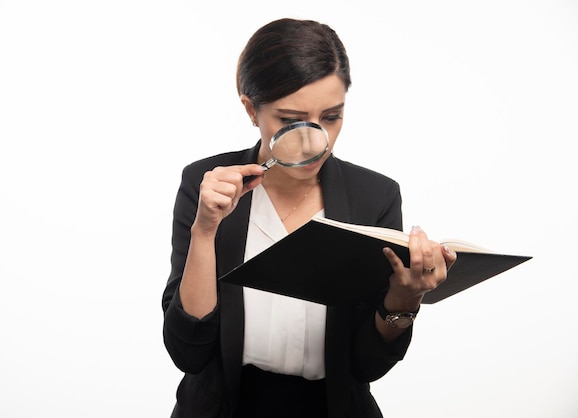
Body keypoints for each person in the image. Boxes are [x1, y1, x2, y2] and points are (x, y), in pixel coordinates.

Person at [162, 17, 457, 418]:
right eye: (289, 120)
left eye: (331, 117)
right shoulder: (205, 183)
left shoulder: (375, 196)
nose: (314, 141)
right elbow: (188, 351)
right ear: (251, 109)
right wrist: (204, 230)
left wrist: (405, 299)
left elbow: (367, 366)